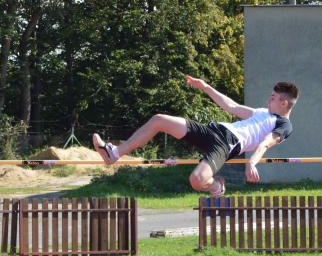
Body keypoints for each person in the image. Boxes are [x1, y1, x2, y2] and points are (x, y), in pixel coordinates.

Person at [93, 75, 299, 197]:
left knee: (196, 180)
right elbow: (232, 106)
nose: (267, 100)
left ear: (283, 103)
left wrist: (252, 163)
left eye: (272, 98)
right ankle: (114, 153)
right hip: (213, 130)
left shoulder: (284, 124)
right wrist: (205, 87)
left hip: (227, 144)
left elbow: (264, 143)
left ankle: (217, 186)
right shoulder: (263, 112)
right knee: (159, 119)